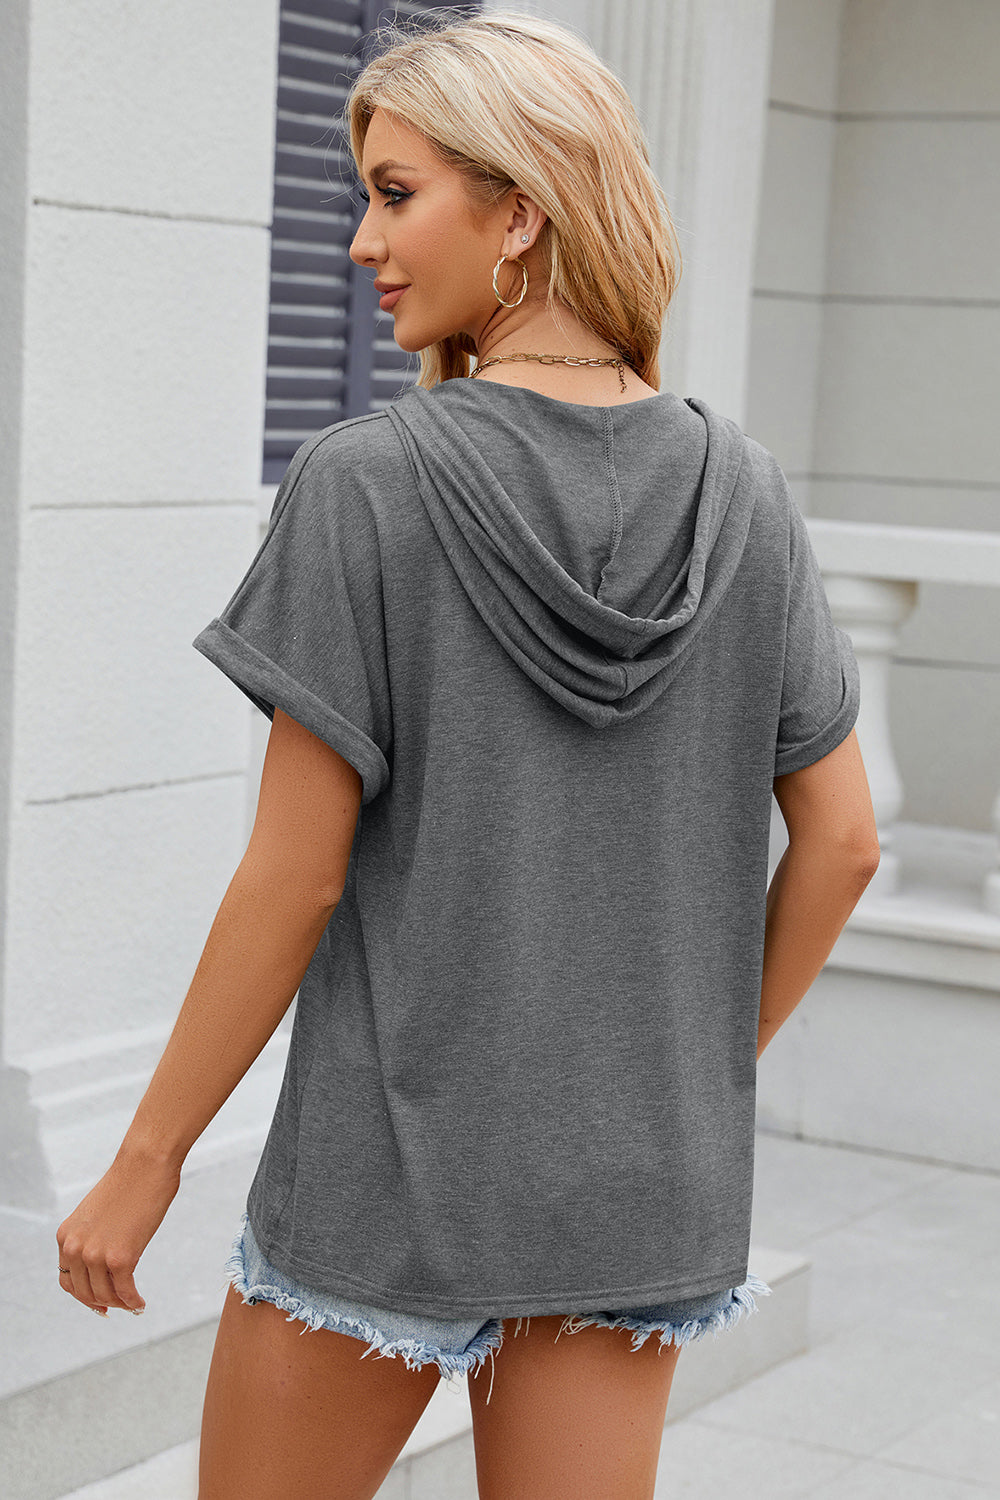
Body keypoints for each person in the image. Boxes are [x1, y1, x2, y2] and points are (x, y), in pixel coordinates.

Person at [55, 10, 880, 1499]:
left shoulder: (366, 482)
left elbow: (294, 878)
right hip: (638, 1182)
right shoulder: (749, 494)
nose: (363, 243)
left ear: (521, 215)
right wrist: (684, 1075)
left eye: (396, 193)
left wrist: (146, 1160)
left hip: (389, 1166)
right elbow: (844, 842)